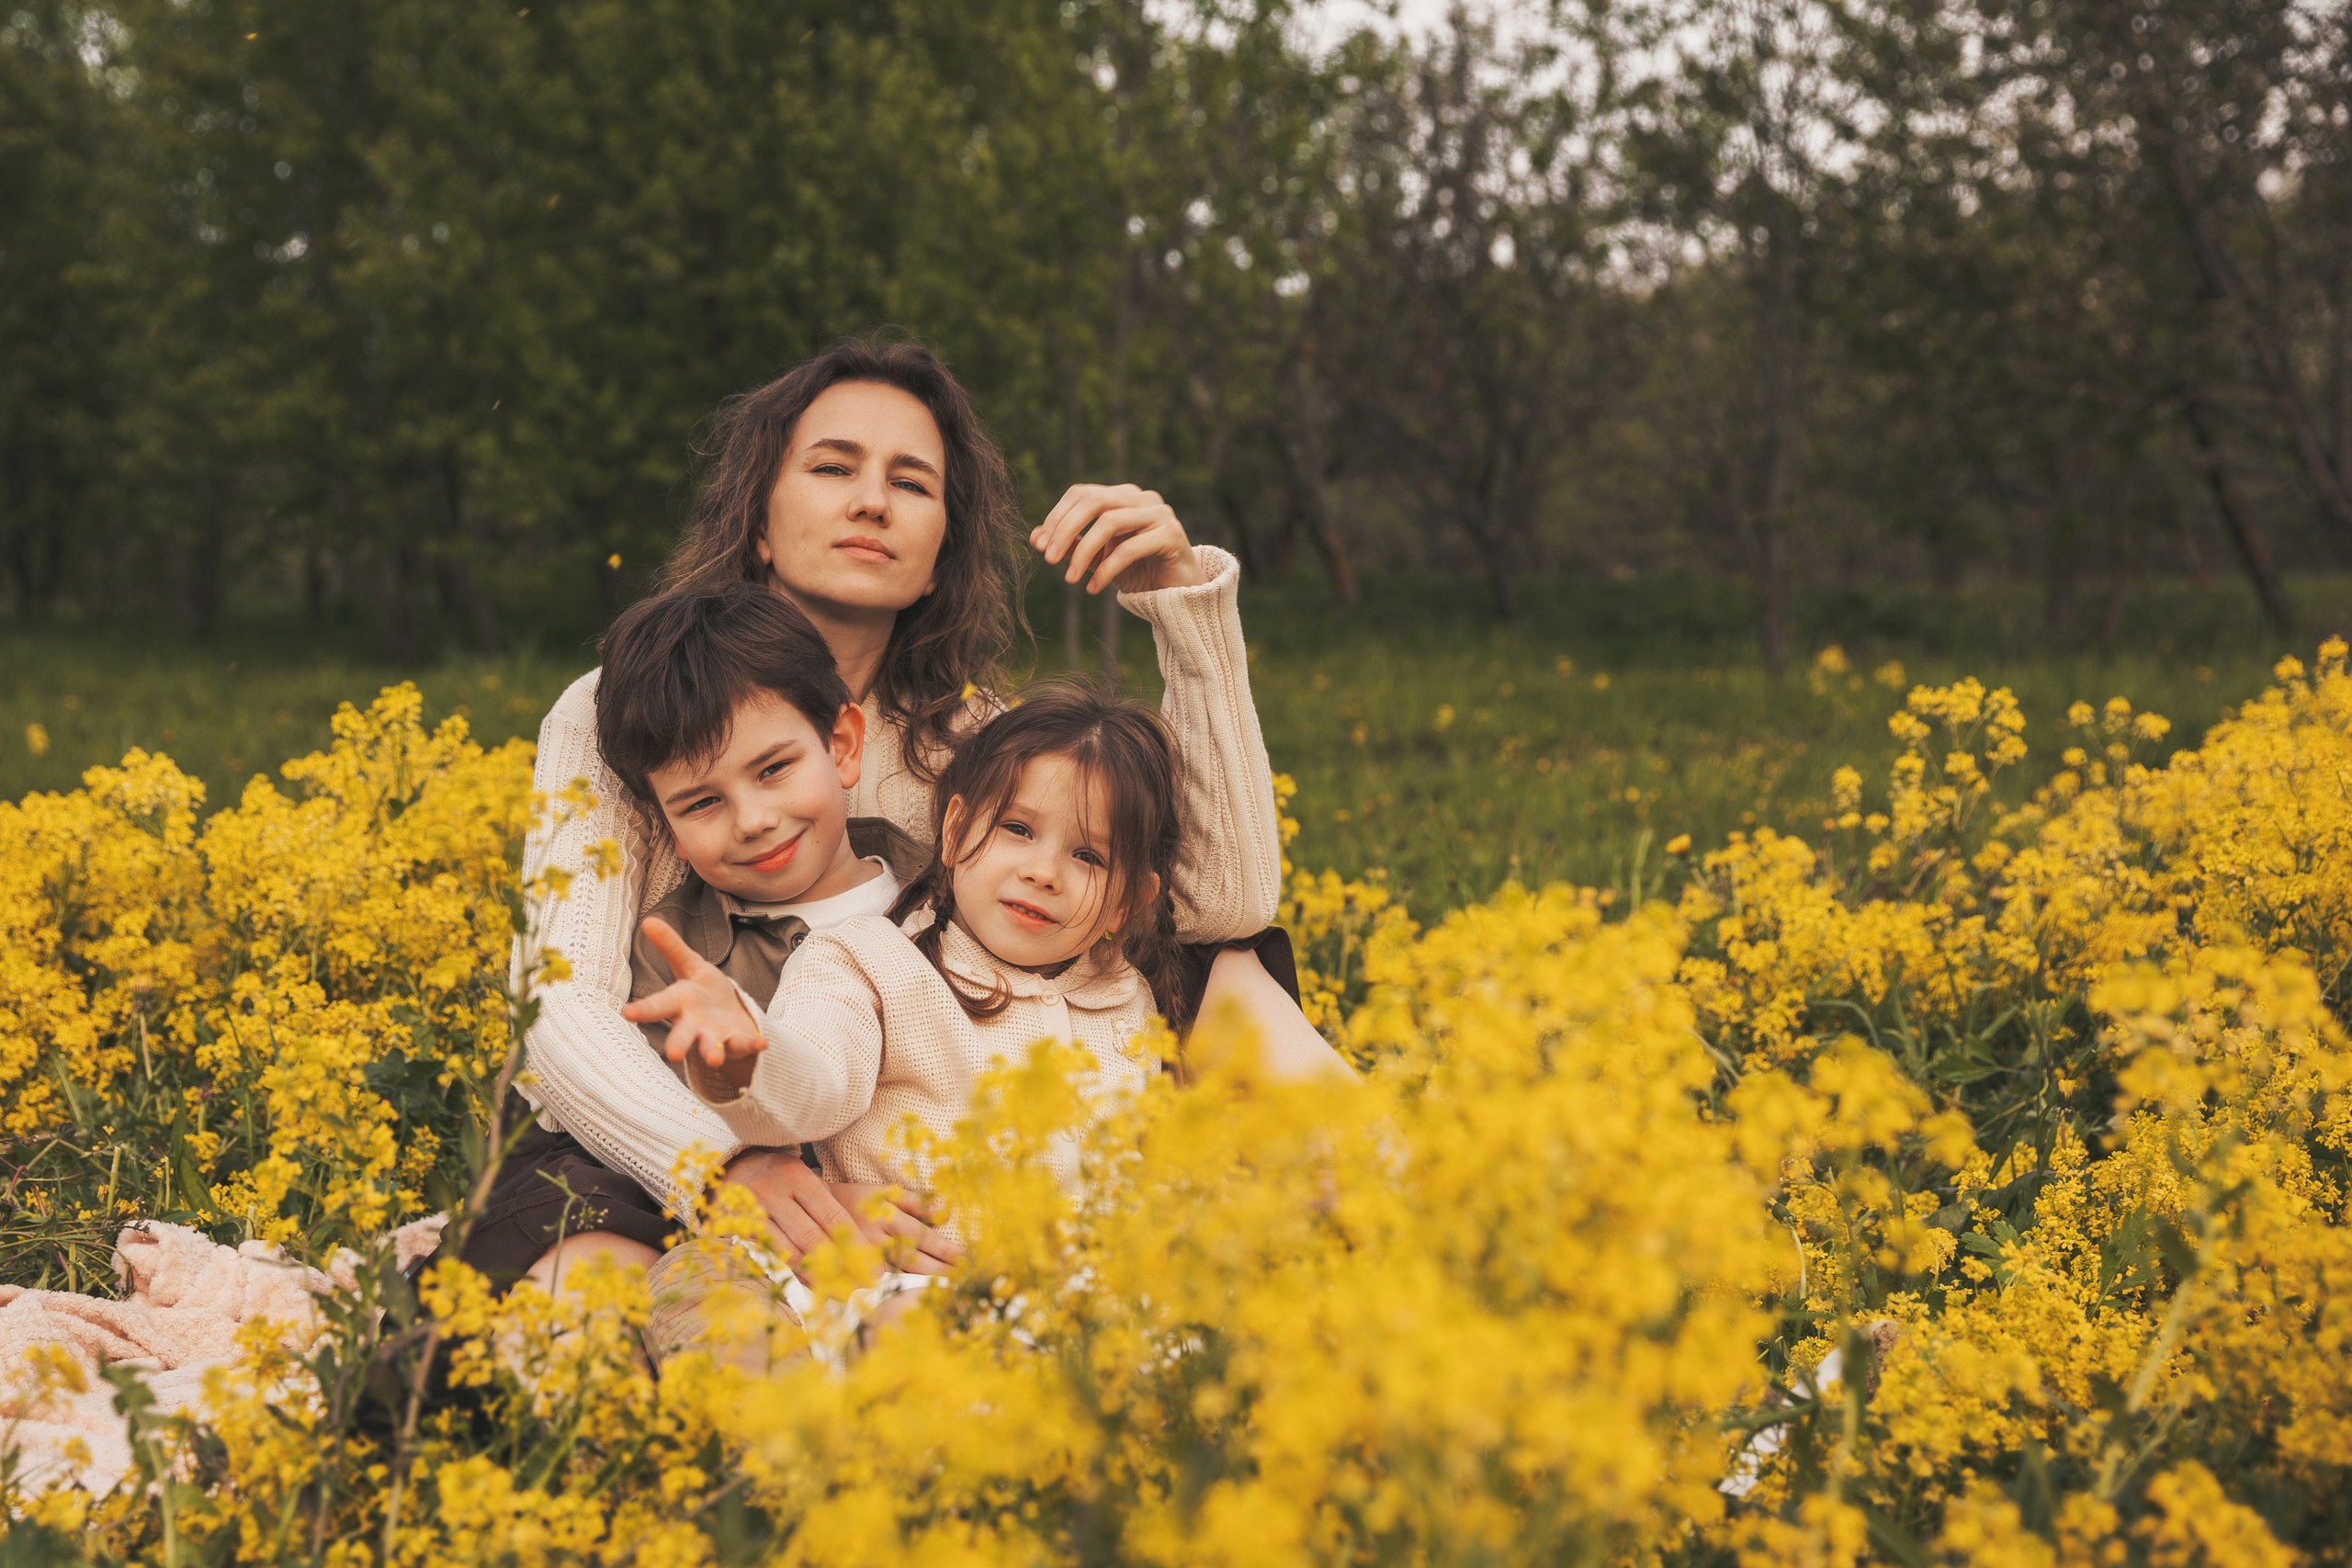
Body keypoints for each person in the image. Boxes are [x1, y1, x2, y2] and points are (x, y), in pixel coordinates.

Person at [483, 335, 1345, 1297]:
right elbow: (561, 1008)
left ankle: (1426, 1232)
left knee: (1228, 968)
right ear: (759, 520)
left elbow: (1216, 905)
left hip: (896, 1137)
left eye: (911, 482)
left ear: (940, 553)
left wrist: (1186, 608)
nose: (871, 501)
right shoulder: (626, 710)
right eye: (832, 466)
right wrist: (720, 1170)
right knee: (583, 1309)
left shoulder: (974, 740)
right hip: (662, 1129)